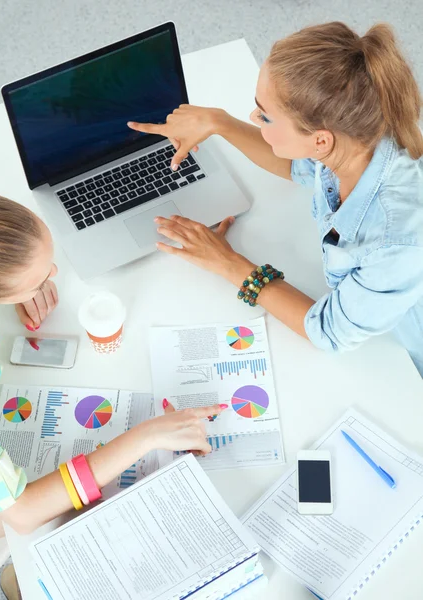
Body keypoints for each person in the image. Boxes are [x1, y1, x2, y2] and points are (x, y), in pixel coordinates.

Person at [0, 188, 226, 566]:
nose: (54, 275)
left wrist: (20, 280)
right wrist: (148, 434)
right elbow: (22, 513)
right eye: (41, 278)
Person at [128, 21, 423, 377]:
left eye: (264, 115)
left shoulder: (396, 240)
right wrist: (218, 121)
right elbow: (295, 166)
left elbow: (328, 333)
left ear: (320, 141)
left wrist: (228, 262)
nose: (254, 116)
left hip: (403, 359)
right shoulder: (357, 134)